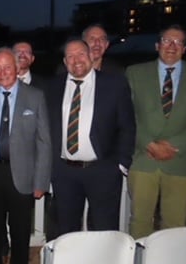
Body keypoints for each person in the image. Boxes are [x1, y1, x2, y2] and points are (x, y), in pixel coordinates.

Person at [126, 24, 186, 239]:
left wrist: (175, 145)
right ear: (157, 45)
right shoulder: (135, 72)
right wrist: (148, 143)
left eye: (178, 42)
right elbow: (127, 115)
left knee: (175, 225)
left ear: (184, 48)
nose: (172, 46)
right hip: (143, 158)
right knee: (139, 220)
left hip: (181, 158)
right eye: (167, 41)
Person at [46, 39, 135, 236]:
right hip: (64, 172)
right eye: (70, 56)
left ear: (90, 56)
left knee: (104, 229)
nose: (76, 60)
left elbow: (127, 126)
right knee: (66, 229)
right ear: (64, 61)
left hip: (102, 170)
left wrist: (121, 164)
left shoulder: (114, 84)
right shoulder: (52, 87)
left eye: (81, 54)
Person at [0, 47, 51, 264]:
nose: (2, 72)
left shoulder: (34, 96)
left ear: (17, 68)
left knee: (20, 232)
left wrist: (41, 181)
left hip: (23, 175)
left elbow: (44, 142)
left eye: (7, 67)